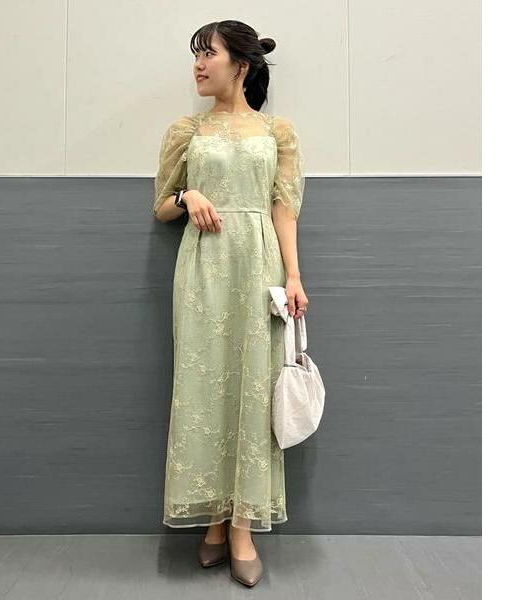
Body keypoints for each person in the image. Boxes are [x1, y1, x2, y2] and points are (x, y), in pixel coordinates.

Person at [153, 20, 308, 587]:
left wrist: (294, 276)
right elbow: (160, 207)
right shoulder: (187, 130)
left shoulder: (277, 132)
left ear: (240, 65)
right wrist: (187, 194)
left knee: (254, 388)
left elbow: (284, 209)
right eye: (195, 55)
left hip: (260, 266)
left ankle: (241, 526)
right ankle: (213, 520)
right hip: (203, 268)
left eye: (207, 54)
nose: (197, 65)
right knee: (204, 387)